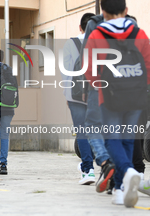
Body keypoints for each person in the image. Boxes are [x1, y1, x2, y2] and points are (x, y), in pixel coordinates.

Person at [85, 0, 150, 207]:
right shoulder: (139, 33)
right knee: (127, 139)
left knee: (112, 140)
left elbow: (90, 69)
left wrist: (98, 87)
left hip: (110, 95)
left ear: (103, 12)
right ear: (126, 10)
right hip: (135, 95)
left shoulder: (96, 35)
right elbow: (149, 65)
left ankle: (129, 172)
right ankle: (120, 190)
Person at [82, 0, 137, 194]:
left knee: (93, 126)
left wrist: (90, 85)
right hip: (129, 85)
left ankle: (106, 164)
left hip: (102, 84)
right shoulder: (132, 23)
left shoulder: (94, 24)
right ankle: (120, 182)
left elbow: (87, 57)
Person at [61, 14, 97, 185]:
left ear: (80, 27)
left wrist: (67, 94)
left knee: (82, 131)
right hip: (98, 92)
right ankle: (106, 167)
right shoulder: (101, 41)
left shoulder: (71, 43)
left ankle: (88, 170)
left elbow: (67, 71)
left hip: (76, 94)